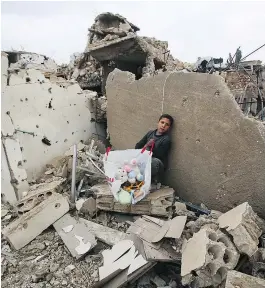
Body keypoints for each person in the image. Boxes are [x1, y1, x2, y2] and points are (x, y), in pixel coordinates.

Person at [135, 114, 173, 185]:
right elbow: (137, 146)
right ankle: (137, 177)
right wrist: (146, 145)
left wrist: (151, 146)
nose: (163, 126)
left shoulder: (166, 140)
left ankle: (154, 180)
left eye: (167, 124)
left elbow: (159, 155)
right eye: (162, 122)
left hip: (157, 164)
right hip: (145, 159)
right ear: (158, 123)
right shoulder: (150, 133)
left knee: (153, 161)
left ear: (169, 128)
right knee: (134, 158)